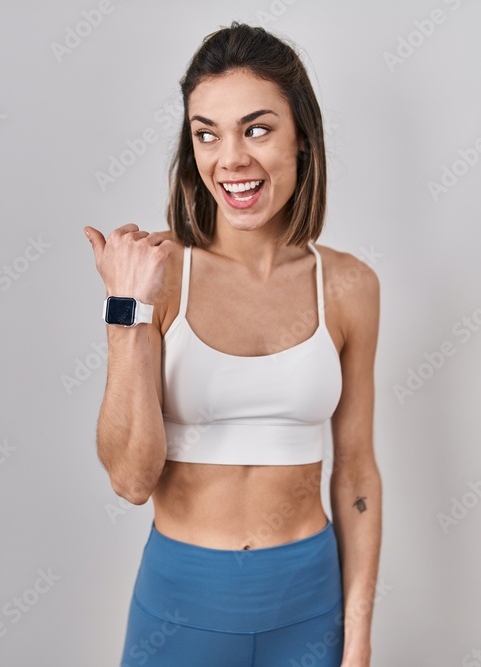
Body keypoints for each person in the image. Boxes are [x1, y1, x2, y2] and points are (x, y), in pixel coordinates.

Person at [85, 22, 381, 667]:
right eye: (207, 133)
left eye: (257, 129)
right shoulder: (158, 275)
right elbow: (131, 480)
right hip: (180, 609)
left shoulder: (350, 285)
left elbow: (357, 471)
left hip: (309, 606)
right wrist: (126, 311)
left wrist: (357, 639)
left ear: (302, 138)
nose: (231, 159)